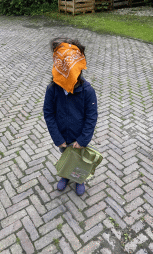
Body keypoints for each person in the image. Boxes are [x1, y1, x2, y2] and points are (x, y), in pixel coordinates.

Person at [43, 37, 98, 196]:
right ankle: (66, 176)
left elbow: (91, 117)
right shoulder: (52, 89)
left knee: (79, 160)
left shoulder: (87, 91)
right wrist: (58, 138)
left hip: (79, 136)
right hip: (63, 136)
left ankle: (79, 179)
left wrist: (83, 140)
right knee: (66, 157)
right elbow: (48, 113)